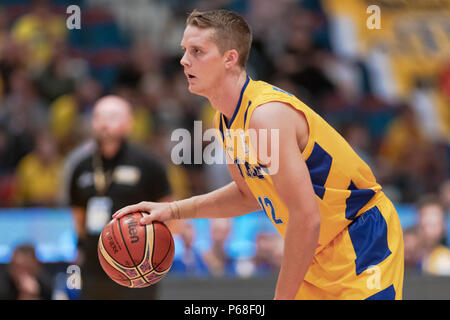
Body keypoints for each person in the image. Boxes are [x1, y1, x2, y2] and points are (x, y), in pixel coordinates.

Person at [113, 9, 404, 300]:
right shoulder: (224, 119)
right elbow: (248, 194)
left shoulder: (265, 115)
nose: (183, 60)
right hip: (315, 252)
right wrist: (174, 210)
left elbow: (306, 217)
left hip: (361, 238)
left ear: (230, 58)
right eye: (184, 50)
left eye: (197, 51)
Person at [65, 95, 172, 299]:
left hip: (137, 266)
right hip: (94, 265)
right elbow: (78, 212)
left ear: (129, 123)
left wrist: (155, 254)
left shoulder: (148, 164)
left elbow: (168, 209)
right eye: (98, 117)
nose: (104, 123)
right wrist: (81, 245)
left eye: (113, 116)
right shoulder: (80, 167)